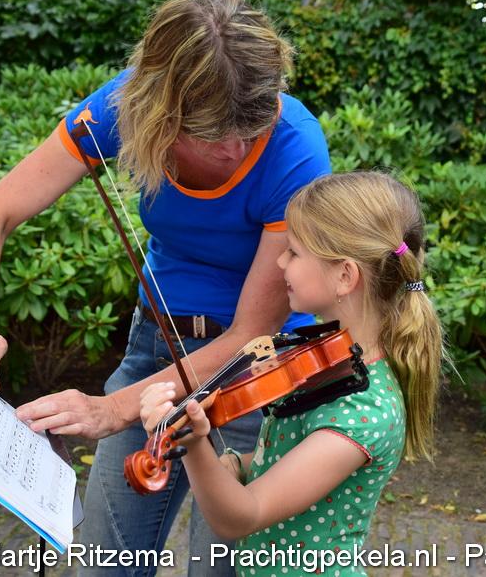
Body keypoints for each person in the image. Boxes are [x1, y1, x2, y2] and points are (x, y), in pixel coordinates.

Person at [0, 0, 331, 576]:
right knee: (104, 564)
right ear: (162, 114)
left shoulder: (296, 150)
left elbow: (251, 334)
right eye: (213, 135)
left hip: (256, 375)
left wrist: (110, 410)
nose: (235, 149)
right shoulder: (126, 106)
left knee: (219, 567)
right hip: (157, 346)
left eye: (251, 129)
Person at [139, 171, 445, 577]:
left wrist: (192, 444)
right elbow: (285, 455)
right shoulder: (330, 362)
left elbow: (242, 516)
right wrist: (239, 465)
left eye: (294, 253)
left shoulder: (364, 413)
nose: (280, 261)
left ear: (345, 276)